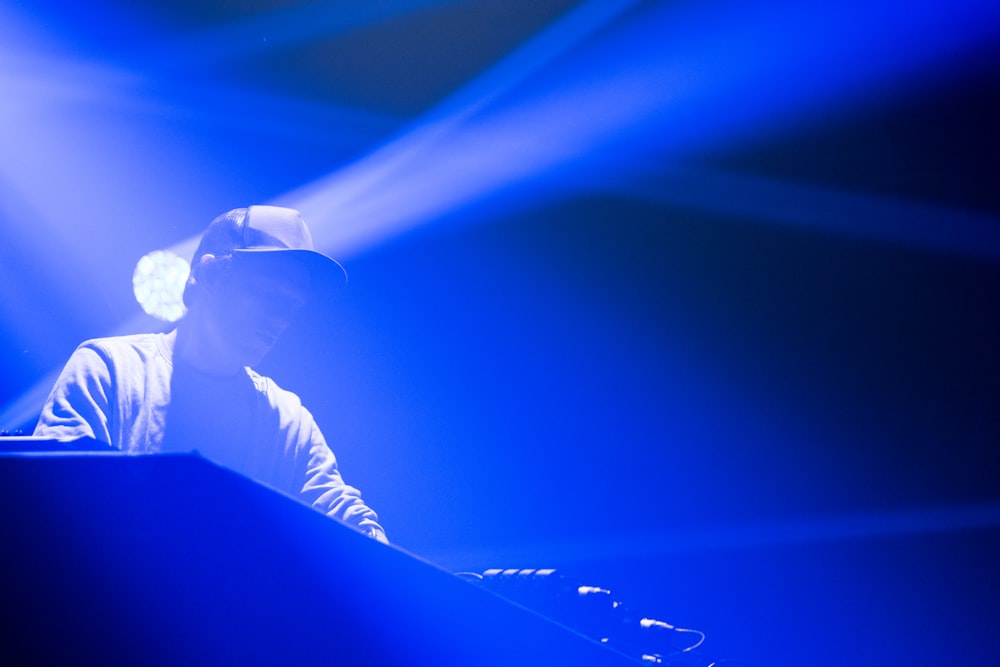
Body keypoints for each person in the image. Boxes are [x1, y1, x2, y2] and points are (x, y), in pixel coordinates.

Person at [33, 205, 387, 543]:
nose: (280, 319)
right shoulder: (109, 368)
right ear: (211, 275)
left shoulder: (288, 422)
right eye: (268, 295)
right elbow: (52, 500)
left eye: (291, 307)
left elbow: (349, 521)